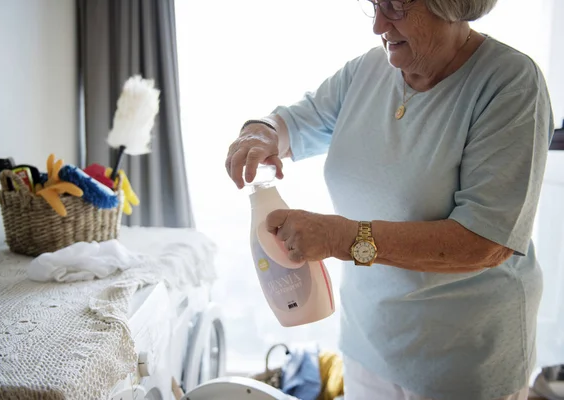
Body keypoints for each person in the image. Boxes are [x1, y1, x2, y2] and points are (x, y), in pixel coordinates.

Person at [225, 0, 555, 399]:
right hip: (368, 342)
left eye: (397, 7)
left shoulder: (510, 83)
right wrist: (260, 131)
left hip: (462, 359)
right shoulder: (368, 69)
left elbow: (485, 242)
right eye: (375, 5)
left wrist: (338, 238)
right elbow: (294, 122)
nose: (379, 24)